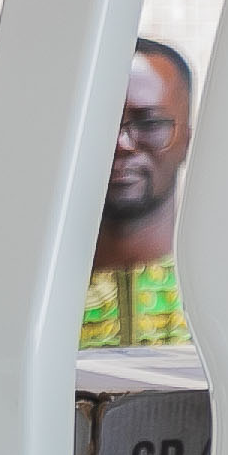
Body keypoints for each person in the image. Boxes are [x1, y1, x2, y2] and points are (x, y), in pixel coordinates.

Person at [84, 40, 194, 350]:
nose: (122, 143)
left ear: (187, 136)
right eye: (100, 123)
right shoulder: (36, 299)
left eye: (148, 123)